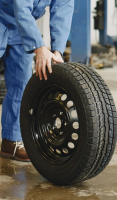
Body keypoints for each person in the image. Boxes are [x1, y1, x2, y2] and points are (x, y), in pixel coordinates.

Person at [0, 0, 74, 161]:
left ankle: (10, 142)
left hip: (21, 26)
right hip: (4, 16)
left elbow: (63, 11)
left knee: (21, 83)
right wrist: (39, 48)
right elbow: (22, 8)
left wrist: (57, 50)